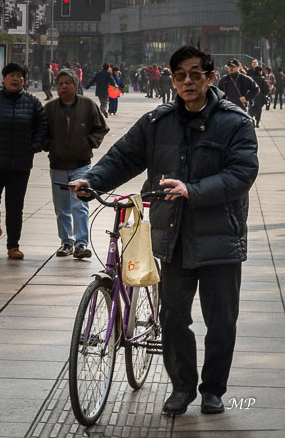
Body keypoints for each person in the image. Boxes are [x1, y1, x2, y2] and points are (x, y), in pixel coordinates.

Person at [70, 43, 258, 418]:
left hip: (220, 238)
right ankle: (183, 387)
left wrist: (194, 190)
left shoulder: (236, 122)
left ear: (209, 77)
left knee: (221, 321)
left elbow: (241, 174)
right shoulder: (157, 122)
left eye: (194, 74)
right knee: (174, 318)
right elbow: (124, 156)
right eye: (180, 75)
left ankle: (213, 390)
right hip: (172, 239)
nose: (187, 81)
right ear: (172, 80)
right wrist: (93, 180)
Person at [0, 62, 47, 259]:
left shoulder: (32, 102)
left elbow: (42, 126)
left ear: (24, 80)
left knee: (15, 206)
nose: (15, 79)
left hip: (20, 164)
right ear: (3, 79)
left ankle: (13, 245)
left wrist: (34, 145)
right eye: (11, 75)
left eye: (19, 76)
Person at [44, 69, 108, 259]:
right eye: (60, 83)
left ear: (76, 85)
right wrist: (49, 145)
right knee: (61, 206)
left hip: (81, 163)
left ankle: (81, 243)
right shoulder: (50, 108)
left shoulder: (88, 105)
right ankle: (66, 242)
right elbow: (41, 131)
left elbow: (101, 128)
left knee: (79, 204)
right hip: (57, 164)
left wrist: (89, 143)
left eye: (68, 83)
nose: (63, 86)